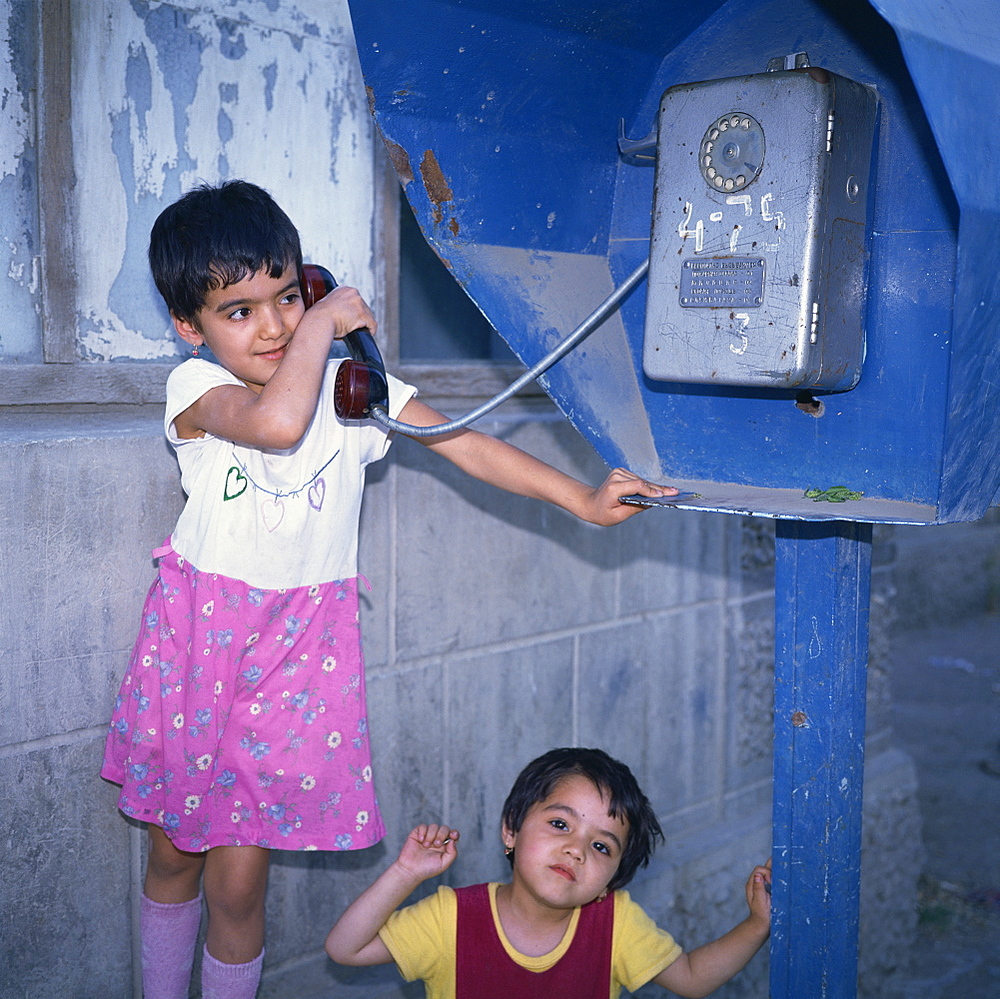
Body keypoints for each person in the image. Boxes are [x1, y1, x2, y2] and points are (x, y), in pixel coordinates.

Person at [100, 180, 675, 999]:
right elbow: (276, 425)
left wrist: (580, 498)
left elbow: (465, 444)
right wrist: (326, 322)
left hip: (294, 665)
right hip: (202, 649)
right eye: (239, 311)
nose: (271, 326)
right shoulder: (196, 391)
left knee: (236, 882)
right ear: (191, 327)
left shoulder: (350, 390)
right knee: (173, 852)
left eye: (286, 297)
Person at [326, 747, 771, 999]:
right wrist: (405, 872)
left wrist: (756, 926)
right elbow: (346, 949)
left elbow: (692, 978)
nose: (575, 849)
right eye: (560, 824)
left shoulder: (616, 924)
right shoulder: (452, 919)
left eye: (601, 846)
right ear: (512, 829)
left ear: (611, 882)